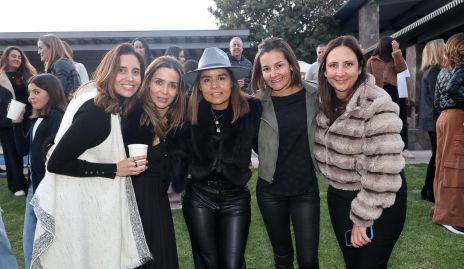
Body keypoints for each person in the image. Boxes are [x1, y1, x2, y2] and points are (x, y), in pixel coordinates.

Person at [31, 43, 152, 268]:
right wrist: (114, 169)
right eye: (122, 70)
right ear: (109, 70)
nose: (130, 77)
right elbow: (57, 163)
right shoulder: (98, 112)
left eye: (136, 72)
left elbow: (66, 138)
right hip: (75, 210)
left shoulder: (100, 99)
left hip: (78, 206)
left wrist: (52, 144)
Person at [315, 35, 406, 269]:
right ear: (324, 71)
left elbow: (383, 171)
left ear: (359, 67)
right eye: (333, 65)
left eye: (348, 64)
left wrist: (362, 218)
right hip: (339, 198)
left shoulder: (377, 103)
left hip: (380, 200)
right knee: (352, 264)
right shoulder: (323, 103)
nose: (340, 72)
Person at [180, 47, 261, 268]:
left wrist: (253, 161)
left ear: (232, 81)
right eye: (207, 79)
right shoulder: (188, 111)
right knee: (208, 263)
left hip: (236, 197)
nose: (215, 85)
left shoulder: (251, 109)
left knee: (233, 264)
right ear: (199, 85)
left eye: (221, 78)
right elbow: (175, 148)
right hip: (199, 196)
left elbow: (265, 146)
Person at [250, 37, 320, 269]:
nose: (274, 73)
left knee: (309, 261)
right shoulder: (256, 103)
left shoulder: (315, 95)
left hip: (305, 190)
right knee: (283, 259)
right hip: (271, 192)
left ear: (291, 64)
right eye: (266, 69)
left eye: (279, 65)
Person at [123, 56, 187, 268]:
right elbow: (92, 133)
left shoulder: (177, 121)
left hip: (158, 207)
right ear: (148, 81)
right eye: (159, 82)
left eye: (172, 85)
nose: (164, 91)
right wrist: (52, 146)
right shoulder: (130, 114)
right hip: (131, 206)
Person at [12, 73, 67, 269]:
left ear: (51, 93)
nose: (30, 97)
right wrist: (17, 124)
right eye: (29, 93)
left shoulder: (57, 118)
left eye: (36, 92)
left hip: (48, 189)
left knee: (39, 241)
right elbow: (22, 150)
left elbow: (57, 153)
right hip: (33, 188)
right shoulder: (39, 120)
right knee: (31, 240)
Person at [431, 33, 464, 235]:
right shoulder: (460, 68)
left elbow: (436, 100)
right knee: (455, 166)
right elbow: (453, 90)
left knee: (443, 165)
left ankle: (443, 210)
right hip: (456, 116)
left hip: (444, 117)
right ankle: (450, 217)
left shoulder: (444, 69)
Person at [0, 46, 37, 196]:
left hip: (29, 118)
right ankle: (17, 185)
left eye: (19, 57)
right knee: (11, 152)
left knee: (32, 149)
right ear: (6, 58)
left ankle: (33, 180)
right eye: (13, 56)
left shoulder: (29, 75)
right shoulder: (1, 76)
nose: (17, 59)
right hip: (6, 121)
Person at [366, 36, 409, 159]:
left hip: (392, 92)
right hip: (378, 92)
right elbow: (367, 80)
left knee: (393, 120)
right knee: (380, 120)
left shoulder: (394, 59)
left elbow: (402, 68)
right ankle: (381, 147)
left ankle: (395, 148)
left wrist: (396, 52)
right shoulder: (372, 60)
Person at [418, 39, 446, 203]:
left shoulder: (429, 71)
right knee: (437, 156)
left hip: (431, 119)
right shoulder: (435, 71)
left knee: (436, 155)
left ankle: (427, 190)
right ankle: (430, 191)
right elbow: (438, 98)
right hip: (434, 119)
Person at [37, 34, 81, 98]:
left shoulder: (60, 64)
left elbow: (57, 93)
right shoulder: (60, 64)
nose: (38, 52)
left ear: (51, 48)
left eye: (40, 48)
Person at [396, 67, 415, 159]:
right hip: (391, 93)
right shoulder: (385, 58)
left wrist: (408, 95)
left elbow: (407, 79)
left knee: (404, 123)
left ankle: (405, 149)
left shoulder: (403, 62)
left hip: (402, 95)